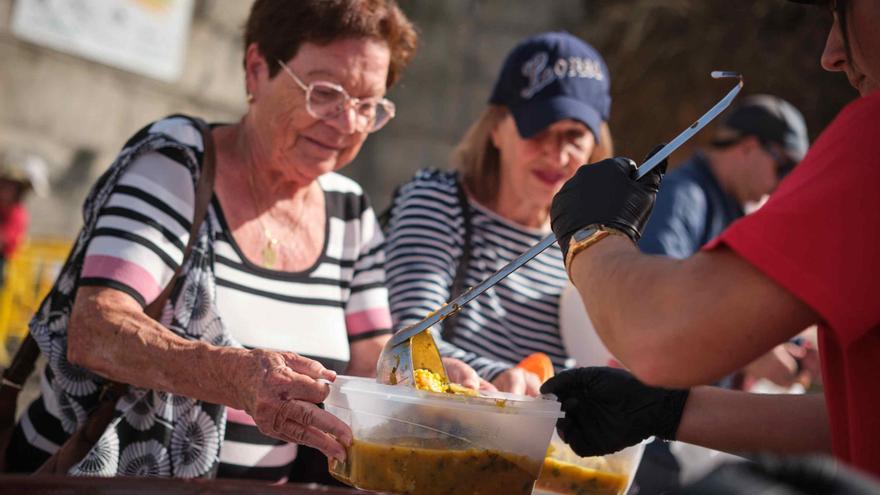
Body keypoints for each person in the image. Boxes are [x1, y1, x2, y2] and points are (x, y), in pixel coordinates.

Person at [5, 0, 417, 480]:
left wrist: (441, 391)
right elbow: (96, 328)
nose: (348, 123)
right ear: (256, 69)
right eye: (325, 93)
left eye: (368, 106)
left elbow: (372, 366)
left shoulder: (350, 210)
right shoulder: (178, 165)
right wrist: (236, 376)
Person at [543, 0, 880, 479]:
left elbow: (661, 332)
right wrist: (668, 410)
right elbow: (857, 428)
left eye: (841, 9)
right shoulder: (693, 196)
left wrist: (589, 234)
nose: (832, 53)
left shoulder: (874, 141)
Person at [384, 31, 614, 396]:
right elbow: (410, 340)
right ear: (496, 129)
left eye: (574, 135)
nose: (557, 156)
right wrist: (508, 381)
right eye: (539, 131)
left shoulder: (590, 243)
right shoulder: (439, 201)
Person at [0, 151, 48, 281]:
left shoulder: (18, 215)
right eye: (5, 184)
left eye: (12, 187)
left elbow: (6, 242)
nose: (6, 190)